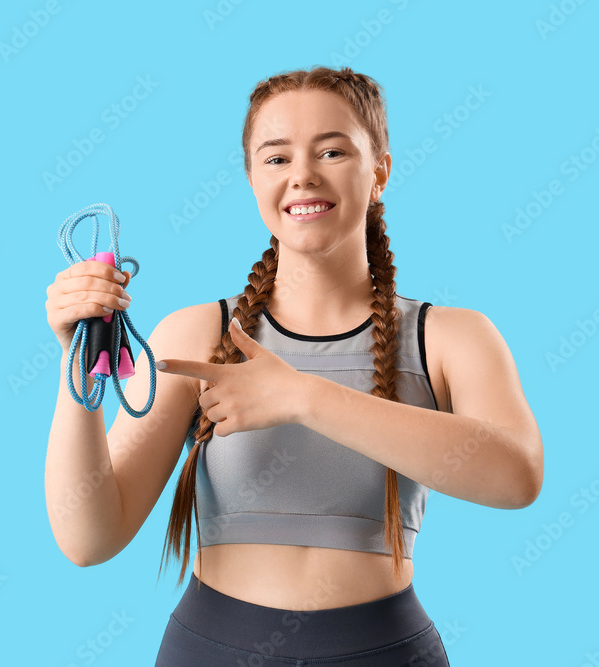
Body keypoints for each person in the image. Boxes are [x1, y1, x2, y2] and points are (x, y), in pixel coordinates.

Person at [44, 65, 543, 666]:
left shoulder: (449, 337)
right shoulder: (199, 334)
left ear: (380, 170)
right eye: (276, 159)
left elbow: (517, 477)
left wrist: (304, 398)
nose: (302, 175)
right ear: (252, 179)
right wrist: (77, 360)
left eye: (331, 150)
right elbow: (89, 537)